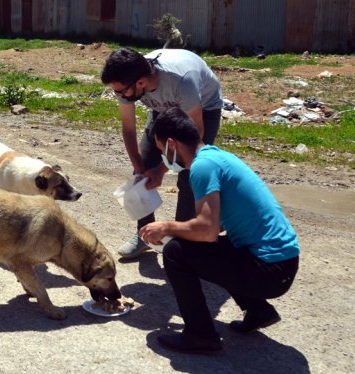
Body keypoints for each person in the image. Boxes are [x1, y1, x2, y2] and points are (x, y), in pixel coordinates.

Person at [139, 107, 300, 355]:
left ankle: (200, 336)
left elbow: (207, 230)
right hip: (283, 263)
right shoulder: (216, 157)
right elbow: (217, 227)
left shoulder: (202, 168)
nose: (164, 158)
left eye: (162, 151)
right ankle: (259, 311)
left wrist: (166, 227)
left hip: (270, 271)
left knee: (175, 252)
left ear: (171, 144)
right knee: (212, 250)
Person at [100, 47, 223, 259]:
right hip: (165, 108)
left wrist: (161, 170)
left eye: (121, 92)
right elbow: (128, 128)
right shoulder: (127, 82)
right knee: (143, 168)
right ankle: (146, 235)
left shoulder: (182, 81)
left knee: (188, 174)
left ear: (141, 83)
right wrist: (140, 167)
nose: (119, 97)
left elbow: (193, 137)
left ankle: (182, 241)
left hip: (203, 110)